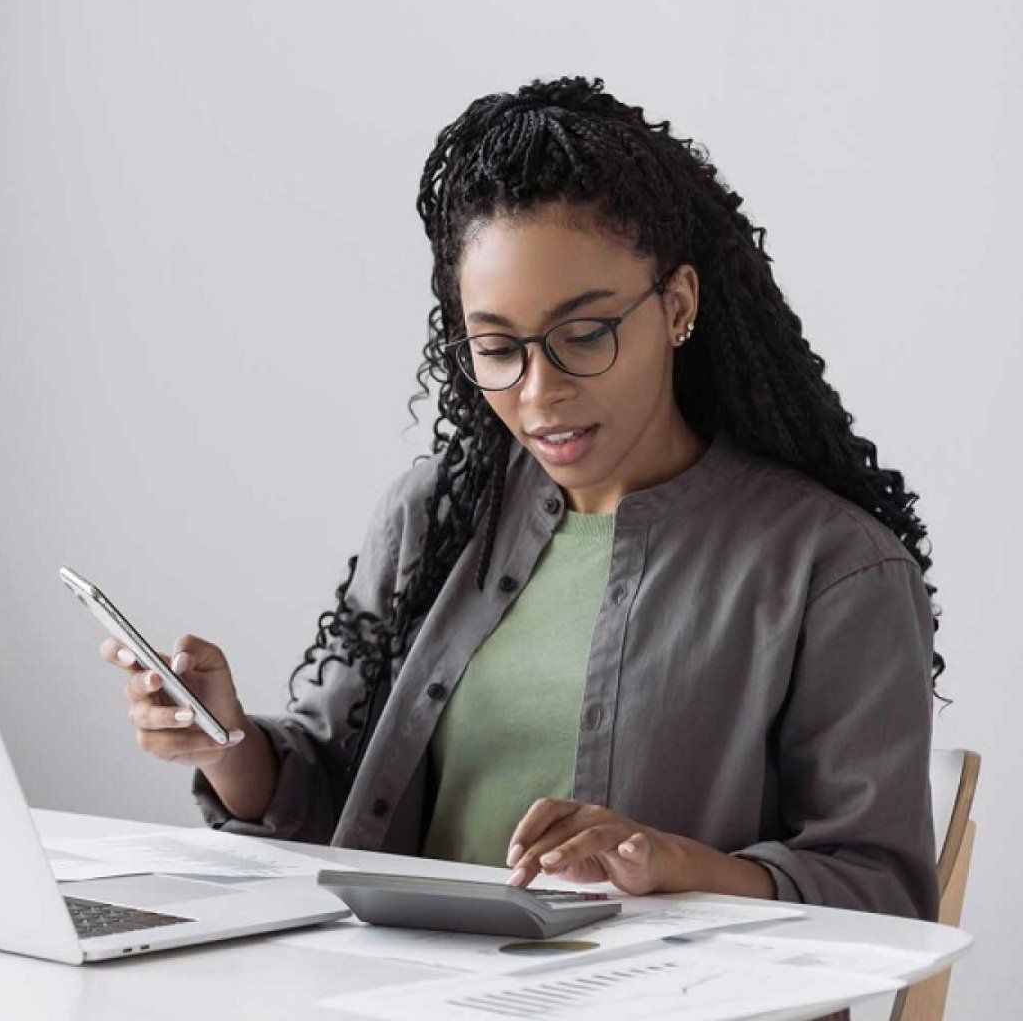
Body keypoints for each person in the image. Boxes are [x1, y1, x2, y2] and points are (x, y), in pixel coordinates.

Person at [99, 75, 942, 921]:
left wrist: (671, 863)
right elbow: (344, 799)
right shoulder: (438, 515)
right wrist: (227, 740)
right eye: (497, 347)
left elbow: (881, 890)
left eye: (584, 335)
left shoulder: (833, 570)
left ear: (677, 304)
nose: (539, 392)